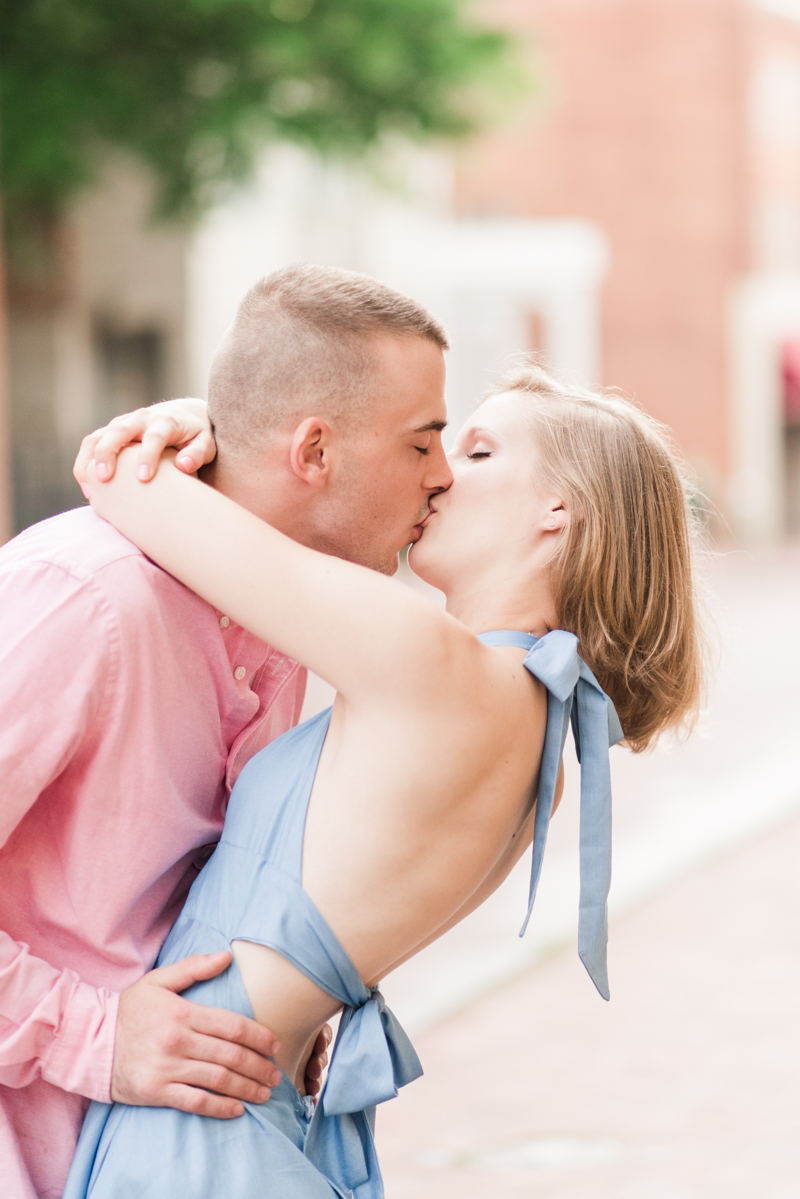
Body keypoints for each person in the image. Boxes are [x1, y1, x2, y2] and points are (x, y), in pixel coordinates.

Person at [64, 351, 706, 1198]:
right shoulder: (536, 740)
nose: (438, 475)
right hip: (259, 1109)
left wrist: (204, 422)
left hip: (195, 1122)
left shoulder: (433, 663)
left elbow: (123, 479)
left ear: (560, 510)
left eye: (477, 453)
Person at [0, 265, 455, 1198]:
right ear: (315, 451)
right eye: (422, 443)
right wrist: (92, 1032)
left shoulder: (288, 623)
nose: (441, 476)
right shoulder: (85, 598)